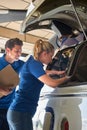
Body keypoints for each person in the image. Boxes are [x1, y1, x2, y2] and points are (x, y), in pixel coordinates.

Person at [7, 39, 70, 130]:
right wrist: (68, 77)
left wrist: (54, 72)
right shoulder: (34, 64)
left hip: (18, 111)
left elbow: (39, 73)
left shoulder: (33, 62)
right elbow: (52, 83)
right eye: (51, 56)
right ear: (44, 54)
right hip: (21, 112)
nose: (51, 59)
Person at [0, 38, 24, 130]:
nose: (19, 54)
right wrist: (1, 90)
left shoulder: (20, 64)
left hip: (10, 108)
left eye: (20, 51)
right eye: (16, 51)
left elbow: (35, 69)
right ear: (7, 50)